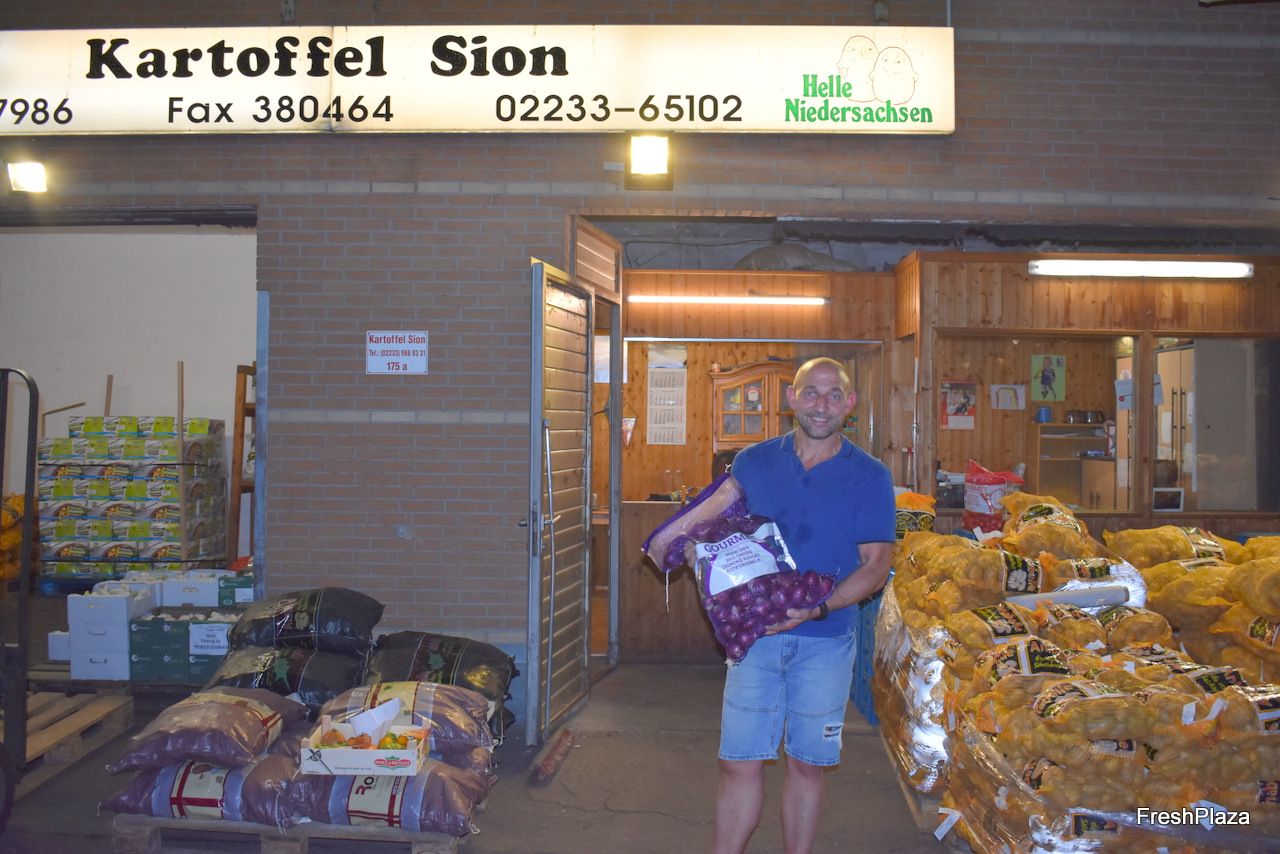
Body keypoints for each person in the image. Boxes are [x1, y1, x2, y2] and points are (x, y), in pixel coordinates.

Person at [714, 357, 895, 854]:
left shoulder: (870, 475)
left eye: (834, 395)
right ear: (791, 398)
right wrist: (692, 548)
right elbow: (719, 529)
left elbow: (876, 565)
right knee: (738, 762)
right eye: (811, 392)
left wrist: (819, 608)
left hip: (827, 643)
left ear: (849, 404)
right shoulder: (752, 463)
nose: (821, 405)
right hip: (756, 639)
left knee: (806, 765)